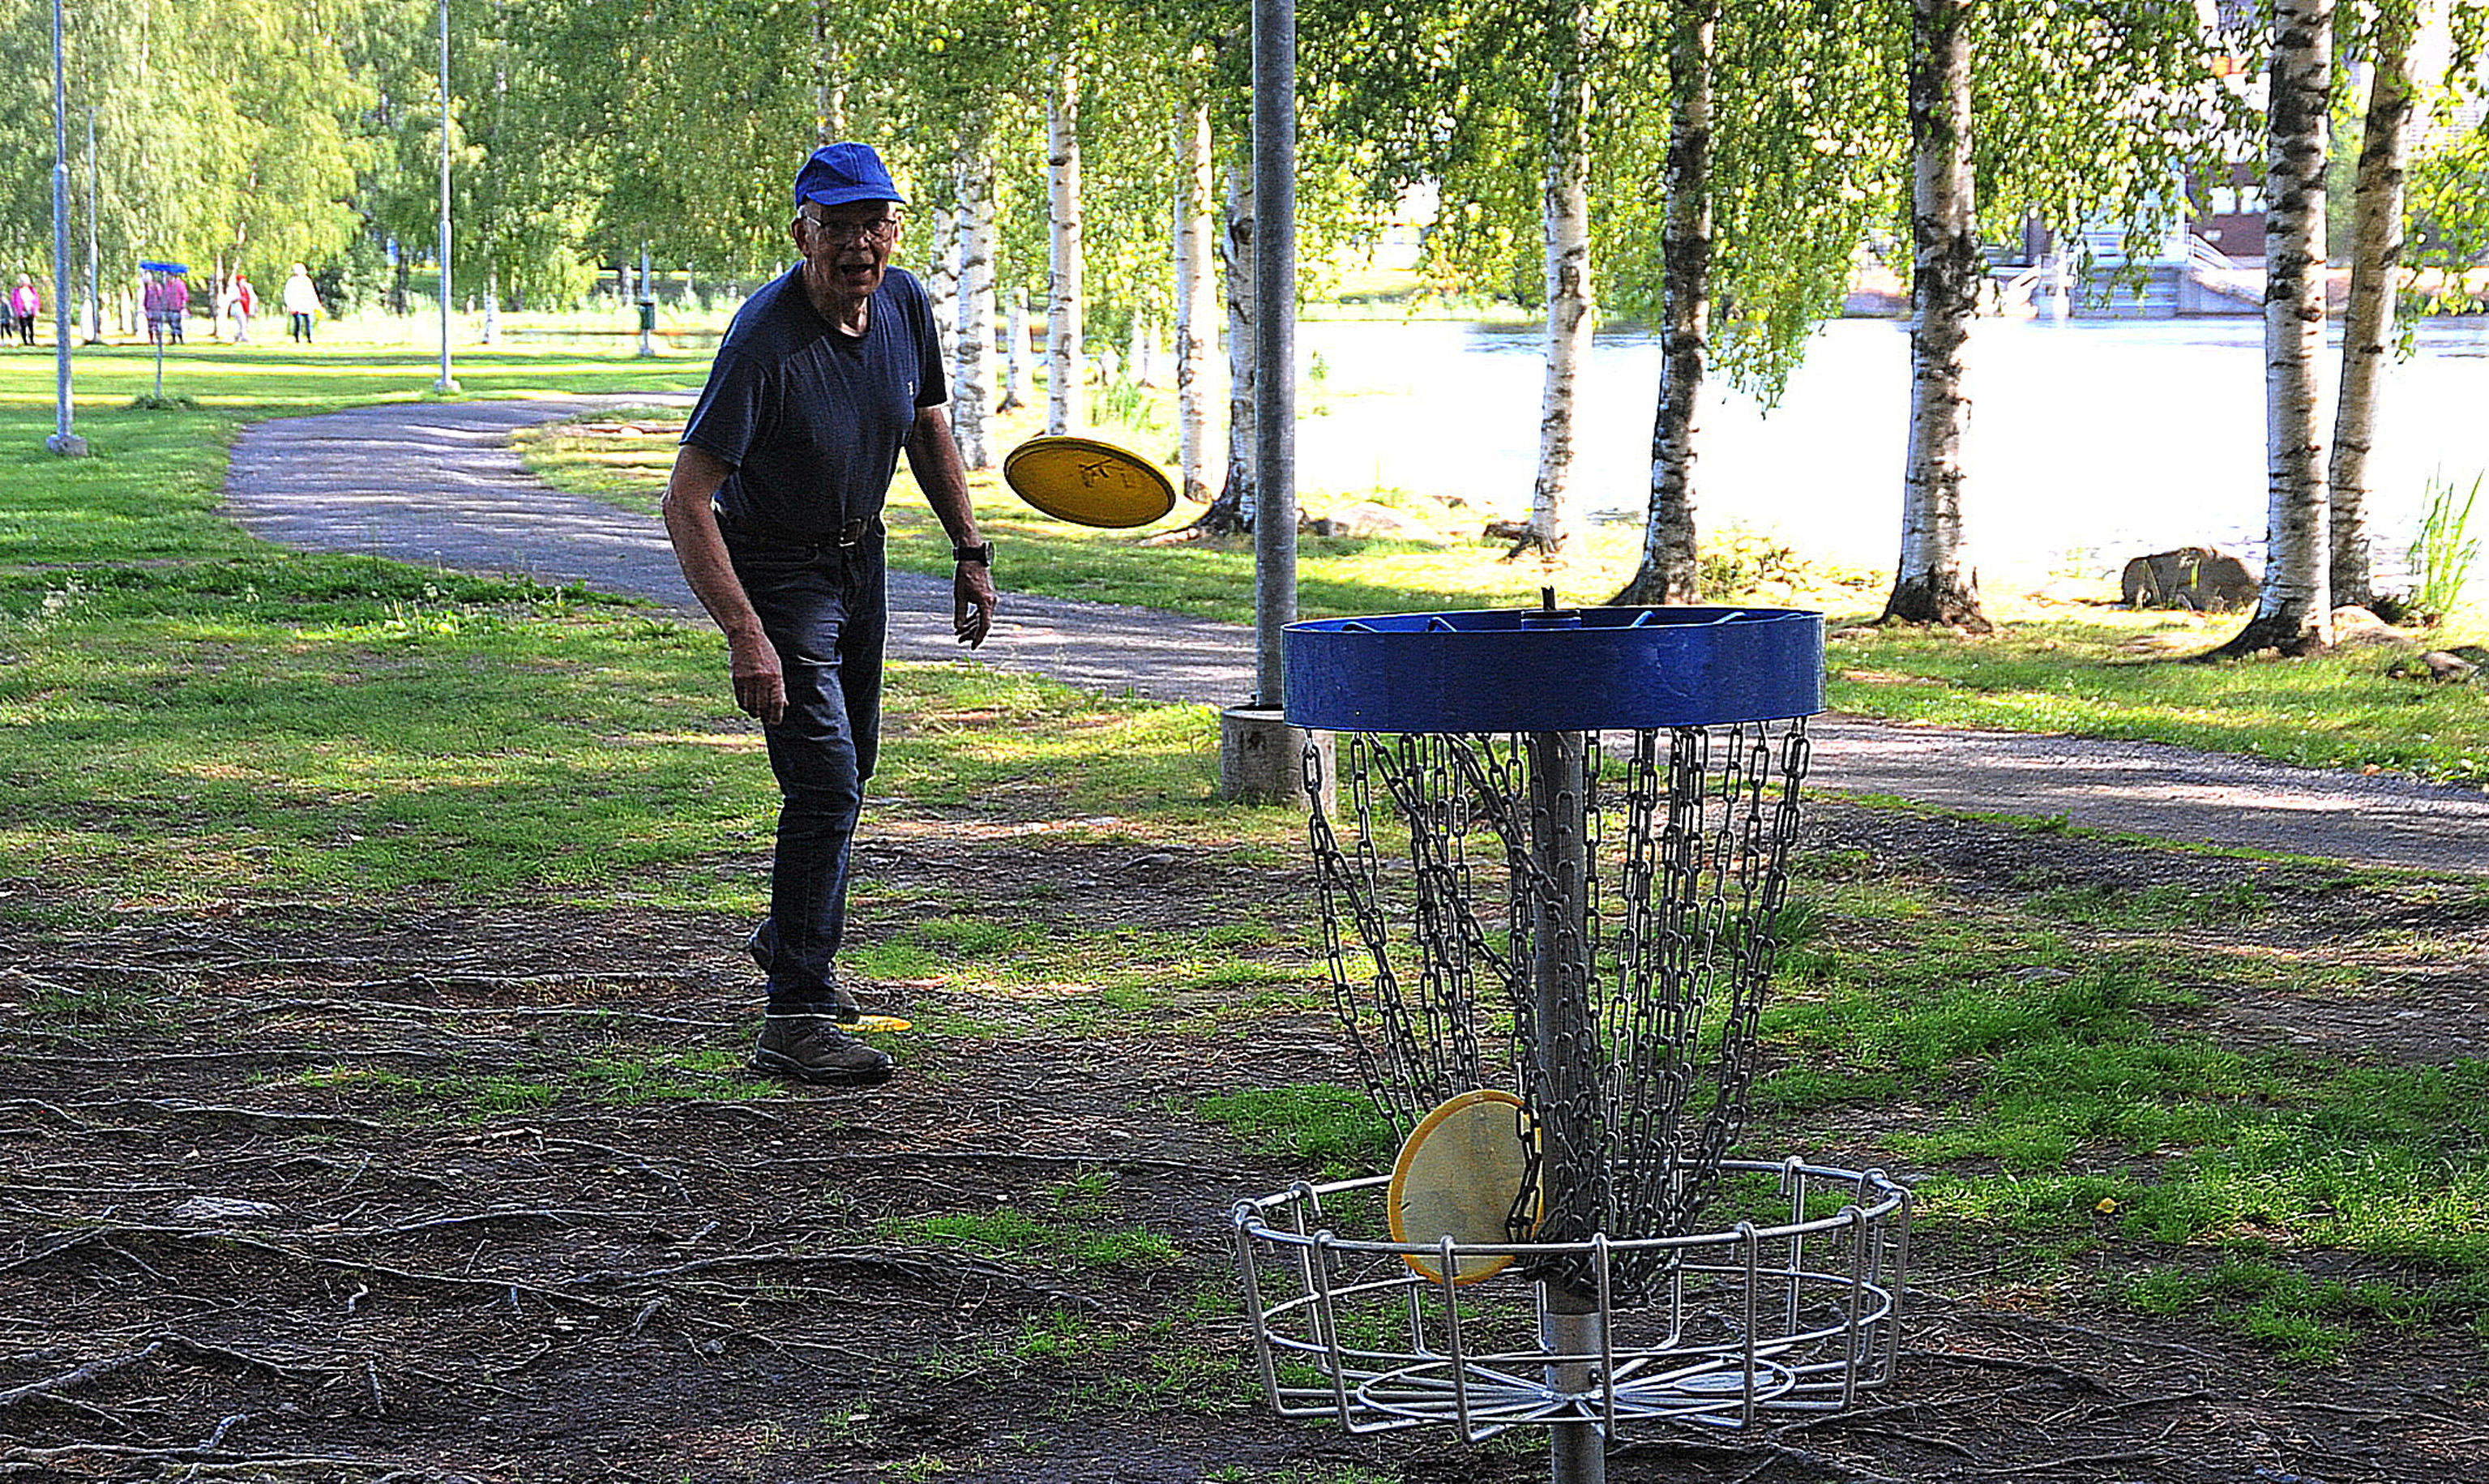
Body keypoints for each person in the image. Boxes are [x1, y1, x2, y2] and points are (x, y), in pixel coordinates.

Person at [662, 142, 998, 1088]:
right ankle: (795, 1015)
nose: (859, 243)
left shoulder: (902, 303)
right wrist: (745, 633)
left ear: (894, 229)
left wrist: (968, 549)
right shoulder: (762, 343)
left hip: (862, 561)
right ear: (801, 231)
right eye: (837, 225)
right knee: (825, 783)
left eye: (874, 222)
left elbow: (925, 421)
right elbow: (686, 499)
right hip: (777, 573)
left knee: (851, 771)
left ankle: (790, 935)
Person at [283, 263, 320, 343]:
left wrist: (316, 303)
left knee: (309, 322)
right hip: (296, 306)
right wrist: (290, 305)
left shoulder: (307, 281)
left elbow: (312, 293)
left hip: (308, 305)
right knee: (298, 322)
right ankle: (297, 337)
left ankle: (310, 338)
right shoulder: (291, 281)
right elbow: (287, 294)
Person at [226, 271, 256, 343]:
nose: (242, 282)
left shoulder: (248, 287)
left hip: (247, 306)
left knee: (246, 323)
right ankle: (245, 337)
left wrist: (255, 305)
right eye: (241, 281)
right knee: (243, 323)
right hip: (238, 307)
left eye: (243, 281)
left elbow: (253, 296)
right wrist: (239, 298)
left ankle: (237, 336)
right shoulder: (232, 288)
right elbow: (230, 298)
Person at [8, 274, 35, 346]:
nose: (24, 283)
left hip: (30, 310)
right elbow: (14, 301)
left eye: (25, 281)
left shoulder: (31, 290)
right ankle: (25, 341)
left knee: (31, 326)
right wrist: (17, 309)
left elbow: (35, 300)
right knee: (23, 326)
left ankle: (31, 340)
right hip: (22, 311)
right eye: (22, 281)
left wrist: (34, 308)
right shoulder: (16, 291)